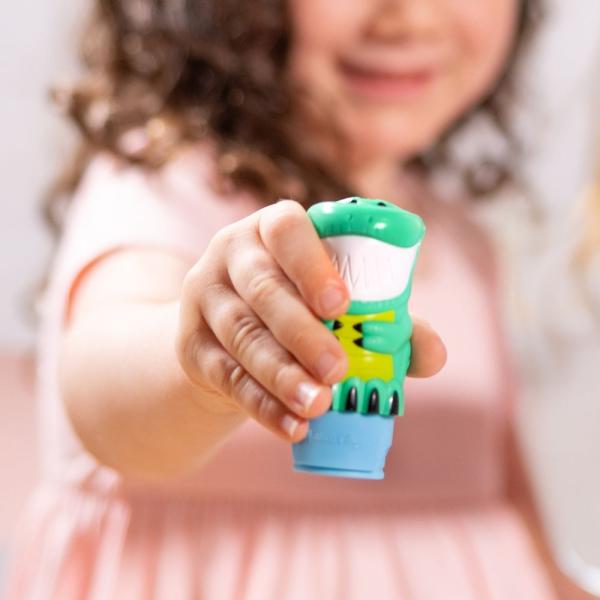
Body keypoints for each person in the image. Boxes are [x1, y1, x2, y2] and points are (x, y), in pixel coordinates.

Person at [6, 0, 581, 598]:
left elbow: (514, 515)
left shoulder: (466, 246)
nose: (409, 17)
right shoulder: (160, 186)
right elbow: (101, 391)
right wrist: (209, 347)